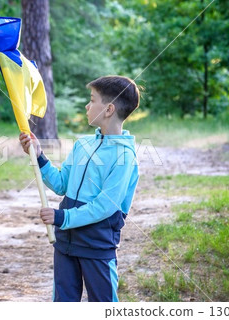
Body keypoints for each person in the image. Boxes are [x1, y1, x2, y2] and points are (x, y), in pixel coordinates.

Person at [19, 75, 140, 302]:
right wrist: (39, 156)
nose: (87, 105)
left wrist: (61, 217)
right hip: (66, 244)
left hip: (96, 246)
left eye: (92, 100)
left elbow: (105, 207)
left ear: (109, 109)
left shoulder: (125, 157)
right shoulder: (82, 145)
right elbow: (61, 184)